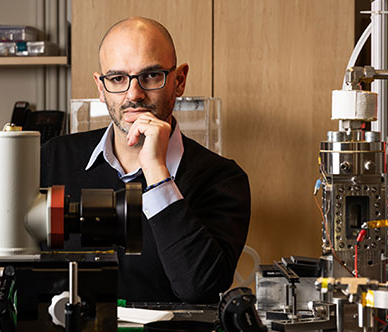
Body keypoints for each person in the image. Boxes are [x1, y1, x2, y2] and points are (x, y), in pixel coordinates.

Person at [40, 17, 250, 304]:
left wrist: (156, 172)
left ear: (179, 81)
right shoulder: (53, 159)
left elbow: (199, 288)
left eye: (151, 76)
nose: (133, 94)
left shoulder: (222, 179)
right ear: (100, 88)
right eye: (117, 79)